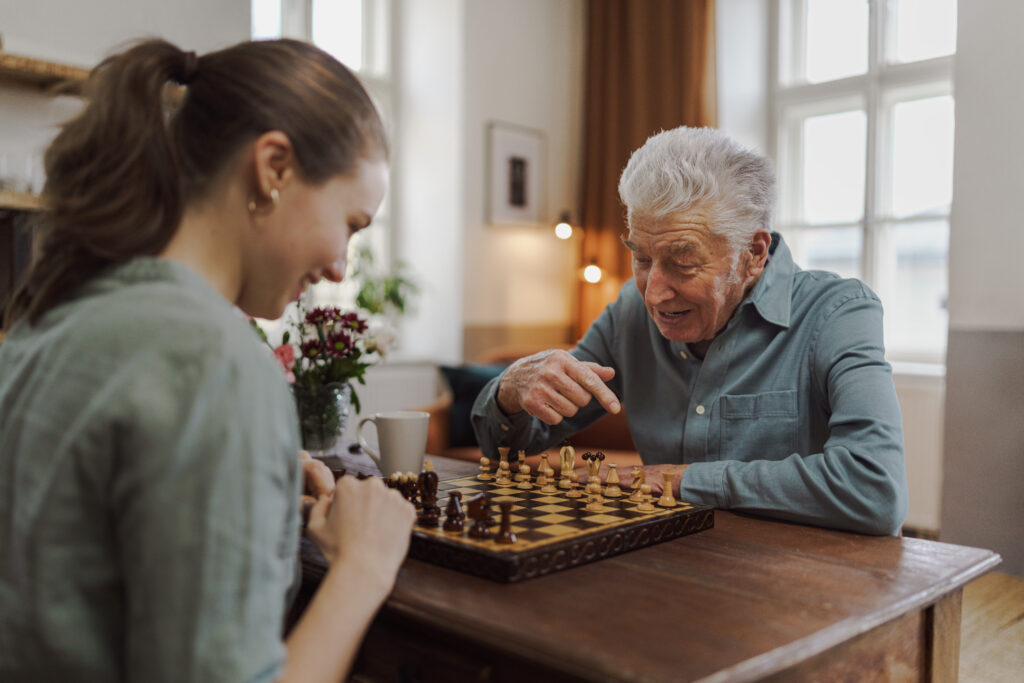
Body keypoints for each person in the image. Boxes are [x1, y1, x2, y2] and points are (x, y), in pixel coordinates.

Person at [0, 39, 416, 682]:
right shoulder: (216, 366)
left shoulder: (51, 313)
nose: (340, 265)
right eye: (352, 224)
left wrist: (248, 467)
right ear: (273, 166)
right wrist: (365, 566)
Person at [472, 126, 908, 536]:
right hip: (667, 574)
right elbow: (510, 445)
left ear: (754, 254)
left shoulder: (839, 312)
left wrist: (685, 480)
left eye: (682, 262)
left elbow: (875, 488)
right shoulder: (629, 311)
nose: (654, 294)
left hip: (806, 591)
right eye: (641, 259)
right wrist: (511, 390)